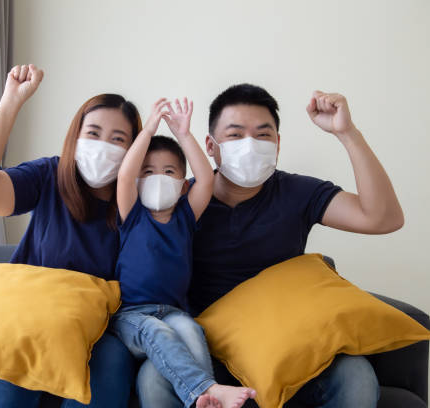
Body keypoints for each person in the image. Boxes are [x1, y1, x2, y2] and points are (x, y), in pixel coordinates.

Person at [136, 84, 404, 407]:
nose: (249, 145)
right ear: (210, 145)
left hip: (288, 350)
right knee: (153, 377)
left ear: (277, 145)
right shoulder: (181, 205)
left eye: (263, 135)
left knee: (355, 374)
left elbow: (383, 218)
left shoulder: (297, 193)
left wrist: (347, 134)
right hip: (209, 356)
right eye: (235, 135)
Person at [0, 64, 142, 408]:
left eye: (118, 139)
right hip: (26, 318)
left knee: (110, 368)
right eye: (93, 133)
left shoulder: (138, 203)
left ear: (134, 149)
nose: (103, 146)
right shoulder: (49, 175)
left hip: (98, 333)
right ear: (75, 137)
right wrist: (11, 102)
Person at [110, 97, 257, 408]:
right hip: (132, 315)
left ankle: (207, 401)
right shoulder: (133, 215)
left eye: (169, 171)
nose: (159, 178)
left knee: (191, 332)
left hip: (174, 311)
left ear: (182, 185)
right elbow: (124, 176)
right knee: (155, 330)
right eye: (149, 171)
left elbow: (206, 178)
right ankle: (207, 389)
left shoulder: (185, 217)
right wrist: (148, 129)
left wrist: (184, 134)